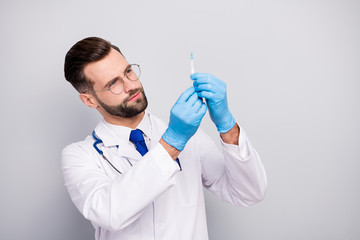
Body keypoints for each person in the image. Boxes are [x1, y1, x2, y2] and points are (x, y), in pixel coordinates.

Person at [62, 36, 267, 240]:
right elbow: (109, 213)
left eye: (128, 71)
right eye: (113, 83)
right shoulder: (80, 156)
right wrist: (173, 141)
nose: (130, 86)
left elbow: (248, 193)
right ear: (89, 100)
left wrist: (227, 125)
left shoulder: (191, 139)